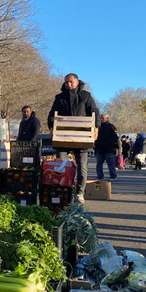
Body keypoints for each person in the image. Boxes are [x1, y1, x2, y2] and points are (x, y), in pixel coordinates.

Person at [47, 73, 100, 204]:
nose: (68, 84)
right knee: (61, 165)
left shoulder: (85, 96)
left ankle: (80, 193)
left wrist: (96, 128)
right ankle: (64, 191)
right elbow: (52, 114)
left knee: (82, 167)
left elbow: (94, 112)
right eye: (66, 82)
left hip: (82, 138)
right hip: (63, 138)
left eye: (70, 82)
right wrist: (51, 126)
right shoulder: (59, 98)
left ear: (77, 82)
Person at [94, 114, 119, 180]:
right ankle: (100, 176)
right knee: (99, 164)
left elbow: (115, 137)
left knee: (110, 163)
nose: (101, 119)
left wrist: (112, 145)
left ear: (107, 118)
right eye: (100, 118)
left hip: (109, 149)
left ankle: (113, 176)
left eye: (103, 118)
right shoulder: (98, 127)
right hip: (100, 149)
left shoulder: (111, 127)